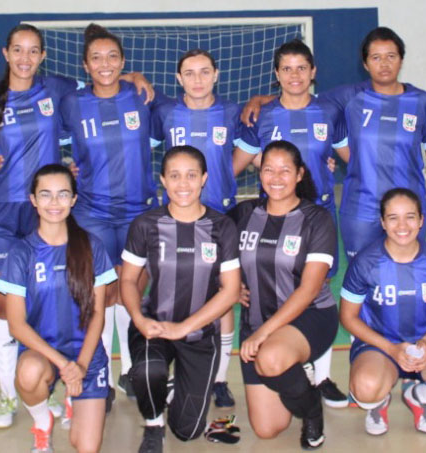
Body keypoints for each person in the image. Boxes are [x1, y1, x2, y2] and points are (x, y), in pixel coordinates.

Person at [0, 23, 151, 426]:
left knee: (83, 296)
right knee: (5, 305)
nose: (25, 58)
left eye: (33, 51)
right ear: (5, 53)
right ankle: (8, 395)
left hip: (51, 209)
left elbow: (102, 78)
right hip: (5, 210)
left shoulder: (58, 90)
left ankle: (96, 380)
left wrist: (131, 76)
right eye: (17, 50)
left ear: (44, 56)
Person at [233, 40, 349, 408]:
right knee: (278, 285)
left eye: (302, 68)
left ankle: (323, 374)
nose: (295, 75)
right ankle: (301, 370)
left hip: (317, 218)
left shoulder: (329, 111)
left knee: (317, 291)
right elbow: (241, 162)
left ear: (313, 72)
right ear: (277, 74)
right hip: (276, 218)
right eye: (287, 68)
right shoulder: (261, 115)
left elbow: (353, 157)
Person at [59, 23, 162, 408]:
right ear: (85, 65)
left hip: (139, 214)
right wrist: (66, 166)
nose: (105, 64)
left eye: (113, 57)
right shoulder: (72, 103)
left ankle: (132, 370)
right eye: (97, 58)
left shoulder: (142, 95)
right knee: (98, 295)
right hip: (92, 215)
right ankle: (97, 374)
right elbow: (53, 147)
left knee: (131, 291)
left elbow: (193, 103)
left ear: (124, 61)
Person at [120, 146, 240, 453]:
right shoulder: (145, 224)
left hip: (200, 334)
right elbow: (129, 280)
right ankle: (153, 424)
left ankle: (172, 391)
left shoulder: (222, 227)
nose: (183, 184)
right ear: (162, 180)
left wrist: (183, 327)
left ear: (204, 179)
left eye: (191, 175)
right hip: (155, 326)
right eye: (174, 176)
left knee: (187, 432)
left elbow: (230, 290)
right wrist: (139, 318)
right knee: (149, 370)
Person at [339, 188, 426, 436]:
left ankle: (418, 396)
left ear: (421, 220)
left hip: (424, 344)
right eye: (393, 217)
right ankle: (379, 402)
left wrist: (425, 342)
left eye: (410, 216)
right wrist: (392, 348)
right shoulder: (365, 262)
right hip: (379, 346)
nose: (402, 225)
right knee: (365, 389)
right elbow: (348, 317)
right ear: (383, 222)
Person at [0, 164, 115, 452]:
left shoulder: (91, 246)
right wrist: (65, 366)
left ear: (74, 199)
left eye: (63, 195)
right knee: (28, 373)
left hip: (87, 355)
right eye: (45, 195)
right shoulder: (21, 253)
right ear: (33, 200)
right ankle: (42, 422)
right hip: (44, 353)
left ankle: (74, 401)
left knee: (86, 447)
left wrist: (82, 366)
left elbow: (98, 313)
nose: (54, 203)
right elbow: (17, 325)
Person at [150, 48, 243, 408]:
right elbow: (148, 149)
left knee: (223, 299)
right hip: (175, 218)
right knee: (173, 293)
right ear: (178, 79)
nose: (198, 79)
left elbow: (249, 152)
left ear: (216, 75)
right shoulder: (165, 112)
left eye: (205, 72)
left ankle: (219, 379)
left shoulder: (233, 112)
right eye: (190, 73)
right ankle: (175, 370)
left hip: (221, 218)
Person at [231, 140, 339, 450]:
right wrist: (231, 282)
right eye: (268, 170)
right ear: (259, 174)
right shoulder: (244, 213)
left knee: (271, 358)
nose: (276, 178)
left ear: (300, 174)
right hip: (256, 321)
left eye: (285, 170)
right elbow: (209, 249)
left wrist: (263, 334)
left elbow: (307, 291)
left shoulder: (316, 219)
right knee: (268, 429)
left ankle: (312, 409)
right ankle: (297, 380)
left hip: (310, 317)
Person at [319, 26, 426, 260]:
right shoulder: (350, 98)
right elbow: (298, 99)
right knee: (361, 282)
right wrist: (261, 101)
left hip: (409, 210)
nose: (384, 63)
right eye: (376, 57)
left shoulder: (421, 102)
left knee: (407, 277)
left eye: (391, 56)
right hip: (360, 211)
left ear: (401, 60)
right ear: (365, 64)